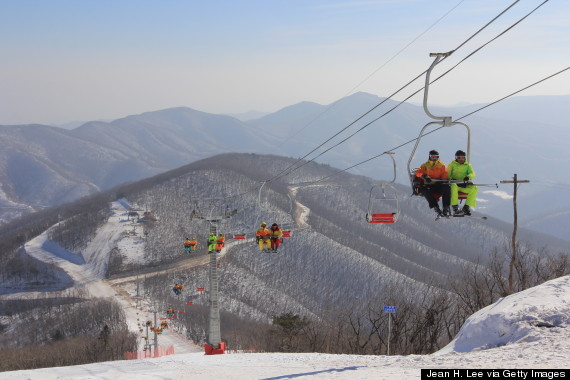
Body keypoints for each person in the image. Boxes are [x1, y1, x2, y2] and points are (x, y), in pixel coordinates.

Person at [415, 149, 451, 217]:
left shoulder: (441, 165)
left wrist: (445, 181)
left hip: (438, 184)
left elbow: (444, 174)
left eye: (436, 157)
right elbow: (418, 172)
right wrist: (424, 176)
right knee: (425, 190)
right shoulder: (425, 165)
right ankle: (436, 207)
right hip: (429, 185)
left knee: (447, 188)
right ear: (429, 157)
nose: (434, 158)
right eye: (433, 157)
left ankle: (445, 207)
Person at [448, 150, 478, 216]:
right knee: (453, 186)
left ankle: (466, 207)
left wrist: (468, 177)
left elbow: (472, 173)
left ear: (465, 158)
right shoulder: (452, 165)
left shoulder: (468, 166)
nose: (461, 159)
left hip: (463, 185)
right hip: (455, 184)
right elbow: (447, 174)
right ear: (456, 158)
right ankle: (455, 207)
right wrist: (451, 179)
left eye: (463, 158)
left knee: (474, 188)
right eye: (459, 158)